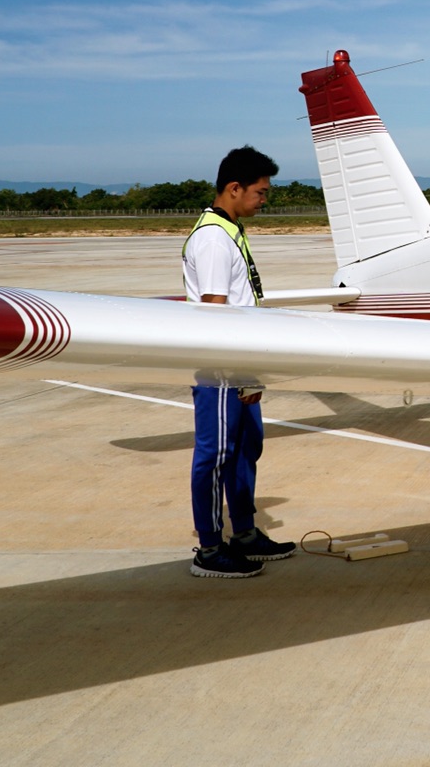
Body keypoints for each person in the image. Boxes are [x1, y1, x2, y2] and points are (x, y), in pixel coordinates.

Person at [183, 145, 298, 578]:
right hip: (220, 367)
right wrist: (236, 371)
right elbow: (215, 309)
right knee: (215, 456)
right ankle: (210, 549)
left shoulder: (230, 230)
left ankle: (245, 533)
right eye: (261, 192)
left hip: (240, 364)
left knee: (247, 448)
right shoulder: (213, 238)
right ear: (234, 188)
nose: (264, 200)